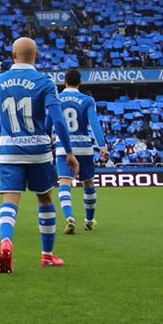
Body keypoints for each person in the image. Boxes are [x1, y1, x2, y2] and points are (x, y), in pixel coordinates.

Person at [0, 37, 78, 274]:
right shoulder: (44, 82)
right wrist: (68, 152)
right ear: (37, 56)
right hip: (39, 151)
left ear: (12, 56)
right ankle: (47, 256)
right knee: (45, 199)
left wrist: (9, 132)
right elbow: (57, 120)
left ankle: (6, 242)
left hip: (10, 150)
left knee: (9, 202)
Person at [55, 69, 108, 233]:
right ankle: (89, 221)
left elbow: (52, 121)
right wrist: (102, 146)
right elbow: (94, 123)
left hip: (63, 147)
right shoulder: (87, 100)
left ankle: (69, 217)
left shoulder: (56, 99)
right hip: (84, 147)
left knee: (64, 183)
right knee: (88, 183)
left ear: (65, 81)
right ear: (80, 83)